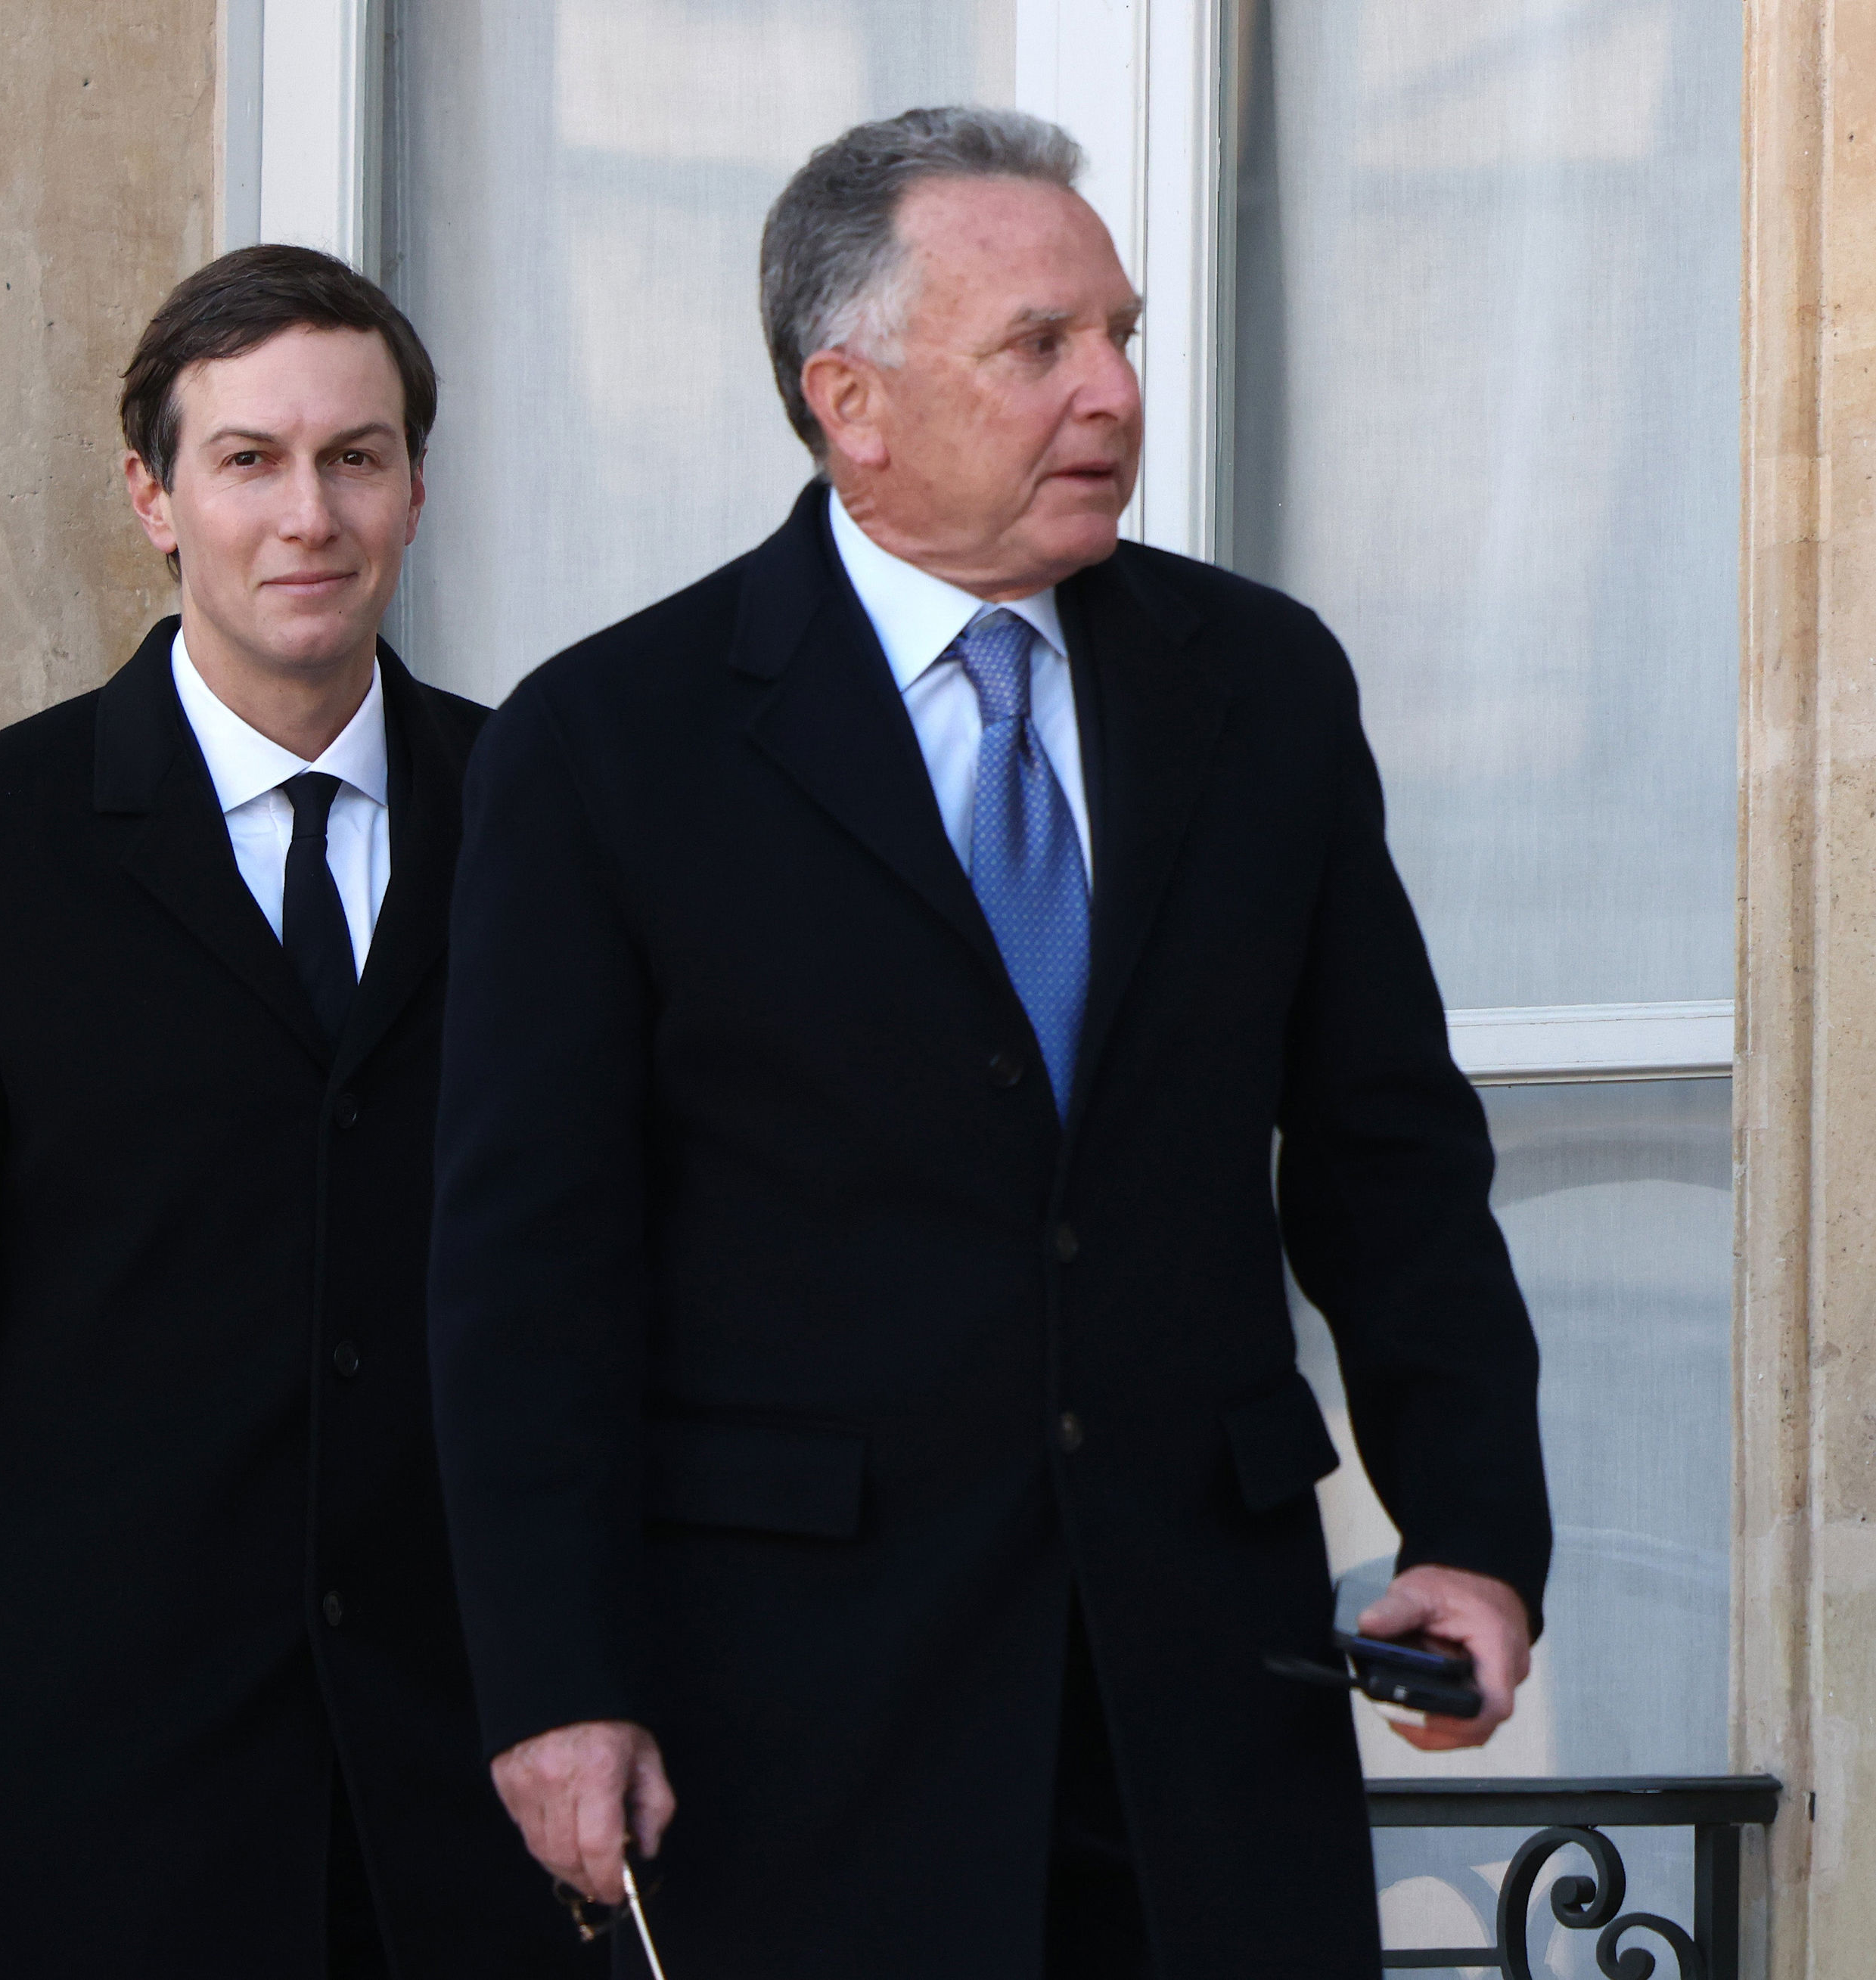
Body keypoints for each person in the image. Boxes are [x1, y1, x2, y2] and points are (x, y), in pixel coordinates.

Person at [426, 106, 1554, 1978]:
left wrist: (1474, 1530)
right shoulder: (610, 743)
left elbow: (1389, 1157)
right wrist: (554, 1684)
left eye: (1117, 335)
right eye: (1037, 347)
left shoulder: (1260, 687)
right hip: (803, 1725)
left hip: (1203, 1697)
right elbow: (524, 1269)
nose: (1108, 391)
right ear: (847, 400)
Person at [0, 246, 599, 1980]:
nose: (307, 514)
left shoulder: (548, 814)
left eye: (353, 457)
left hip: (483, 1806)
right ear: (152, 498)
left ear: (415, 485)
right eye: (247, 461)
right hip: (99, 1810)